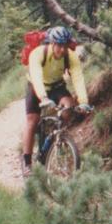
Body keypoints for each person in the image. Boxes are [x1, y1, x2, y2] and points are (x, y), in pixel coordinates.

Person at [21, 26, 91, 175]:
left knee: (68, 108)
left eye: (64, 45)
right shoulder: (38, 53)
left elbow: (78, 78)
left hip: (57, 86)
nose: (61, 49)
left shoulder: (70, 56)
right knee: (32, 120)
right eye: (58, 45)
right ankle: (26, 162)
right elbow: (36, 76)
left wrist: (84, 101)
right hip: (36, 86)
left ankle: (56, 137)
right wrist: (43, 98)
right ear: (52, 43)